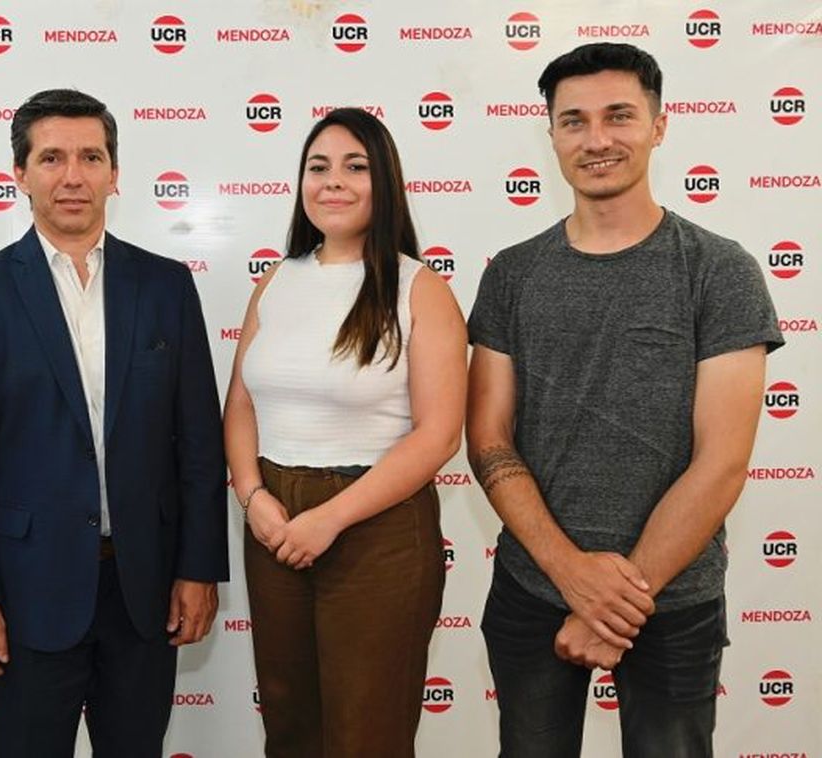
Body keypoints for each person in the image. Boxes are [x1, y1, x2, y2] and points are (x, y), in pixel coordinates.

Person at [467, 43, 784, 758]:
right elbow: (488, 438)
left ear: (660, 125)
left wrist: (614, 602)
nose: (598, 139)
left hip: (674, 602)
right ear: (549, 134)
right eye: (573, 121)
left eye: (619, 116)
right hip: (532, 590)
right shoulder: (512, 276)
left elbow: (723, 462)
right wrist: (571, 574)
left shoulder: (719, 270)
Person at [0, 88, 228, 757]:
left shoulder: (166, 287)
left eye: (91, 157)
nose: (72, 176)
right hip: (25, 594)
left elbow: (200, 445)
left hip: (143, 591)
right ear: (20, 174)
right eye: (52, 157)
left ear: (114, 173)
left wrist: (198, 568)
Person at [223, 107, 467, 758]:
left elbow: (439, 434)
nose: (333, 182)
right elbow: (241, 403)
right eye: (318, 167)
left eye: (355, 167)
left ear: (383, 181)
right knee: (289, 724)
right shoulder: (276, 281)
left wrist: (329, 520)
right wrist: (254, 498)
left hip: (377, 528)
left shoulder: (420, 288)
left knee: (368, 735)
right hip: (273, 521)